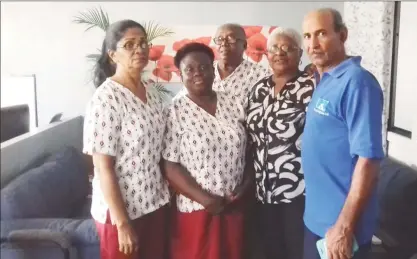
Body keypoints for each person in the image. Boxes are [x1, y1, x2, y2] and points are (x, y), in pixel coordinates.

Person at [301, 8, 385, 259]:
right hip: (316, 222)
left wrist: (344, 227)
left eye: (321, 34)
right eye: (306, 36)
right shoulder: (324, 79)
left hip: (341, 230)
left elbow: (368, 159)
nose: (312, 44)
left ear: (343, 35)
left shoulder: (357, 82)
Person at [83, 20, 170, 259]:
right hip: (122, 211)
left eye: (143, 43)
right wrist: (122, 225)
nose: (139, 49)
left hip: (154, 202)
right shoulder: (106, 99)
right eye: (129, 45)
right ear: (113, 55)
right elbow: (103, 168)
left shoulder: (150, 91)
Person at [162, 42, 251, 259]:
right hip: (197, 210)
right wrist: (205, 199)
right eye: (189, 69)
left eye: (203, 67)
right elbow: (170, 165)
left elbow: (250, 148)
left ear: (213, 69)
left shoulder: (234, 102)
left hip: (234, 205)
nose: (197, 73)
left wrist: (246, 185)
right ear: (180, 76)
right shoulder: (175, 111)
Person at [245, 27, 316, 259]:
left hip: (299, 192)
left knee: (297, 250)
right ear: (267, 54)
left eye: (288, 48)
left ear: (299, 54)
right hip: (262, 192)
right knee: (269, 250)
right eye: (274, 48)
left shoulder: (311, 88)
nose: (280, 53)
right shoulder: (258, 90)